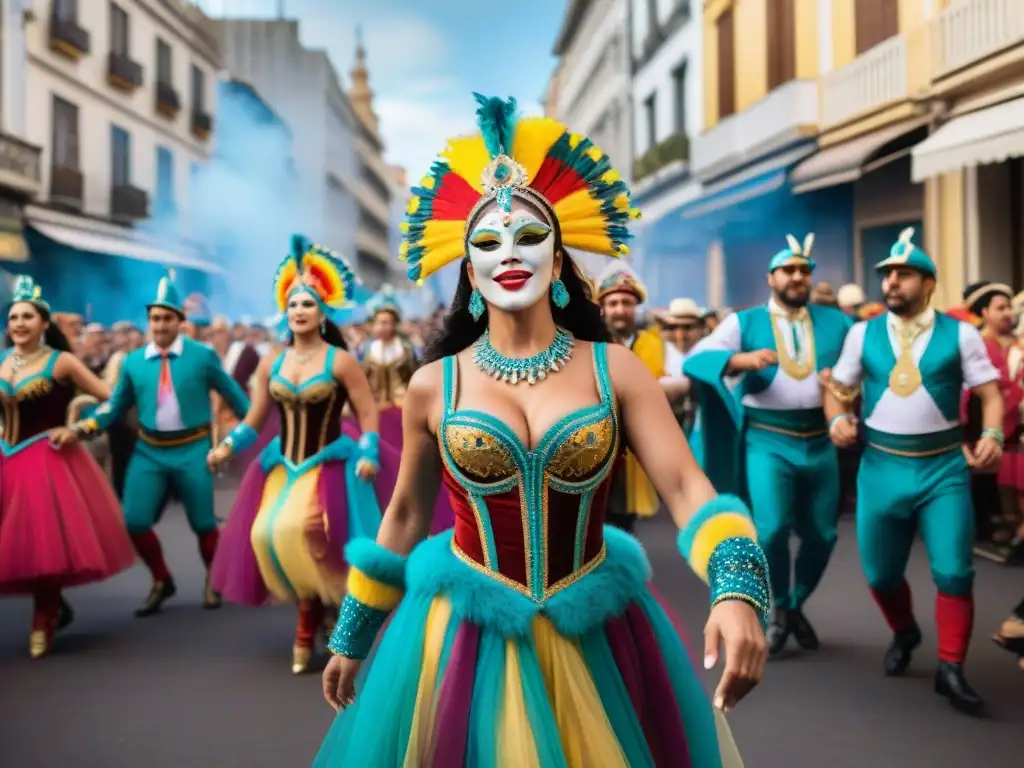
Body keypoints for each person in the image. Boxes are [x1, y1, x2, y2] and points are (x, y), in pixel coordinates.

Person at [314, 94, 767, 767]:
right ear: (470, 272)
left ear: (559, 264)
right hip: (462, 635)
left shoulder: (617, 371)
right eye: (489, 244)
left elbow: (685, 486)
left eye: (530, 239)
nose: (510, 255)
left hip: (601, 635)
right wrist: (353, 633)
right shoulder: (433, 384)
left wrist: (736, 588)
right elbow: (406, 514)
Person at [824, 228, 1003, 716]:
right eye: (887, 275)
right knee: (881, 576)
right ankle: (905, 631)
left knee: (954, 572)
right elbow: (837, 387)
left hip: (943, 469)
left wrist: (992, 437)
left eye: (903, 274)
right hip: (880, 468)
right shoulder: (862, 333)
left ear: (929, 283)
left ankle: (951, 668)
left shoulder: (961, 333)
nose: (892, 282)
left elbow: (989, 394)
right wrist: (837, 418)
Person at [208, 236, 399, 674]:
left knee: (308, 531)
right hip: (282, 465)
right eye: (292, 304)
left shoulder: (340, 361)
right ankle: (312, 606)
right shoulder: (270, 363)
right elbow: (254, 419)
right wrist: (225, 447)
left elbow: (368, 415)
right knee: (264, 534)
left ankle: (312, 616)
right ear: (285, 311)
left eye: (307, 304)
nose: (299, 311)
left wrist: (369, 453)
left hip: (330, 462)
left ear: (322, 311)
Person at [684, 234, 853, 657]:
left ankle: (794, 605)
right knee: (772, 529)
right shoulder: (743, 322)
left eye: (804, 270)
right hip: (768, 438)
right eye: (788, 270)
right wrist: (741, 360)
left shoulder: (839, 323)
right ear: (771, 278)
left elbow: (859, 370)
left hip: (819, 439)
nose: (797, 277)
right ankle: (781, 607)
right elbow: (697, 358)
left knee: (823, 533)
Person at [54, 273, 250, 617]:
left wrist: (249, 431)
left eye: (166, 318)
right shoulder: (132, 362)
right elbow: (114, 407)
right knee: (134, 521)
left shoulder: (202, 356)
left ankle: (213, 579)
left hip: (193, 448)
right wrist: (83, 427)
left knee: (203, 523)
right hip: (150, 451)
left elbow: (237, 399)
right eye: (154, 318)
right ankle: (161, 579)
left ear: (179, 321)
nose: (159, 325)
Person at [0, 276, 135, 658]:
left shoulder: (63, 362)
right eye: (14, 317)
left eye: (28, 316)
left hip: (46, 460)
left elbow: (112, 399)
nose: (20, 323)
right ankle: (54, 603)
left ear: (45, 323)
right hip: (5, 458)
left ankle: (44, 615)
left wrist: (78, 426)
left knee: (43, 545)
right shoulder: (1, 361)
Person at [360, 283, 455, 532]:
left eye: (387, 322)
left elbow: (415, 376)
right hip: (379, 408)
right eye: (379, 323)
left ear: (395, 324)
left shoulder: (405, 350)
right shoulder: (369, 352)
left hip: (402, 408)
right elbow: (365, 381)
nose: (383, 327)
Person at [595, 263, 664, 531]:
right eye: (613, 303)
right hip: (597, 443)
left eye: (626, 302)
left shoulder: (652, 344)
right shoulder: (592, 342)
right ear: (602, 308)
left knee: (625, 524)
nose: (620, 309)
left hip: (636, 444)